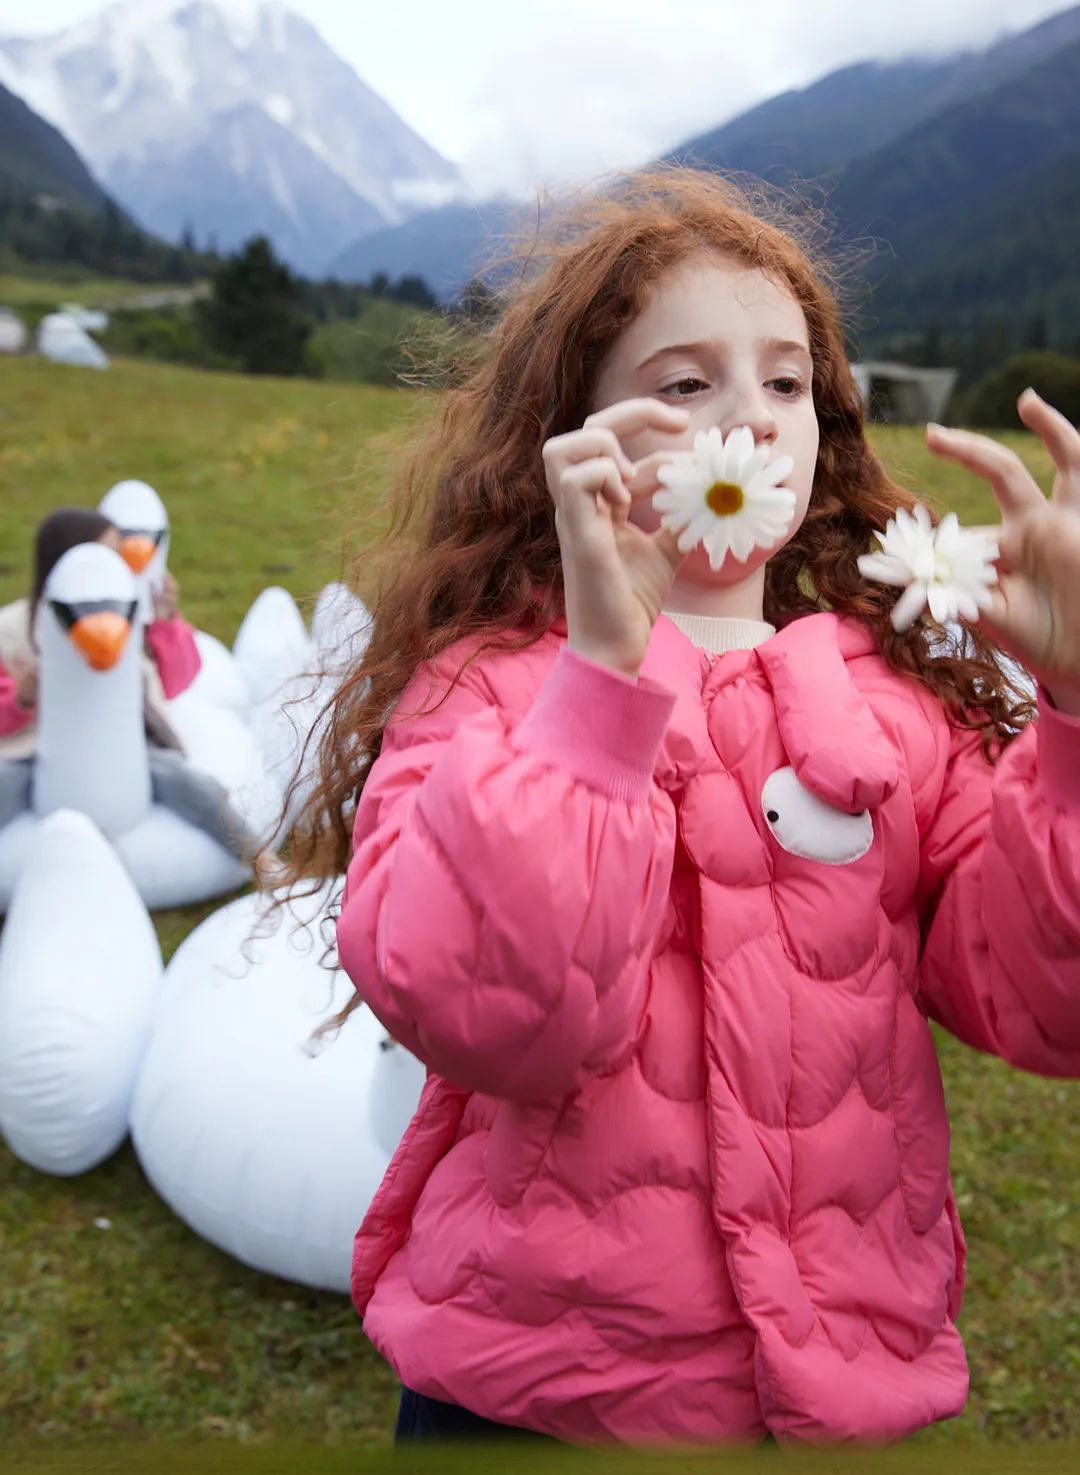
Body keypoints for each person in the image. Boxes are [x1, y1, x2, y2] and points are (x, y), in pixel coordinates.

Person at [283, 169, 1080, 1446]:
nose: (748, 423)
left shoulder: (893, 706)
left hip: (826, 1388)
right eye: (684, 382)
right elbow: (495, 1015)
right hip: (535, 1384)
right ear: (577, 434)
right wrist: (603, 675)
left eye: (783, 382)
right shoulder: (493, 687)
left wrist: (1075, 725)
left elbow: (1045, 998)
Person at [0, 506, 268, 868]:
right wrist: (23, 698)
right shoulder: (12, 631)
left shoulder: (129, 625)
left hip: (126, 747)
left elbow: (176, 682)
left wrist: (166, 622)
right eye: (111, 555)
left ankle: (262, 860)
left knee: (192, 786)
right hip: (37, 751)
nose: (124, 565)